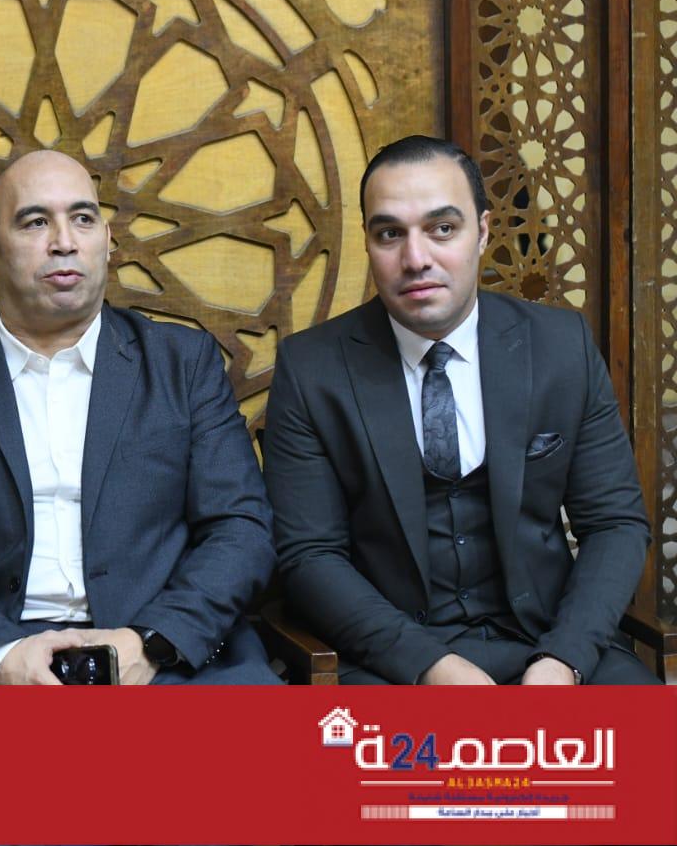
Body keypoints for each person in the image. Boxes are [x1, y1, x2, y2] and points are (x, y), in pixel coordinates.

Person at [0, 150, 278, 685]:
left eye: (82, 218)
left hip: (164, 651)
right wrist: (0, 654)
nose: (64, 242)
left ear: (107, 239)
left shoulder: (183, 364)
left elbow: (241, 529)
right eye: (35, 222)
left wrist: (150, 641)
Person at [264, 135, 656, 685]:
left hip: (547, 641)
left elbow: (614, 523)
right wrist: (429, 666)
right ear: (368, 243)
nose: (416, 258)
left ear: (484, 231)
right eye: (389, 234)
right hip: (390, 660)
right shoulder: (311, 369)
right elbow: (309, 555)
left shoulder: (560, 345)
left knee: (643, 734)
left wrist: (565, 658)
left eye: (442, 228)